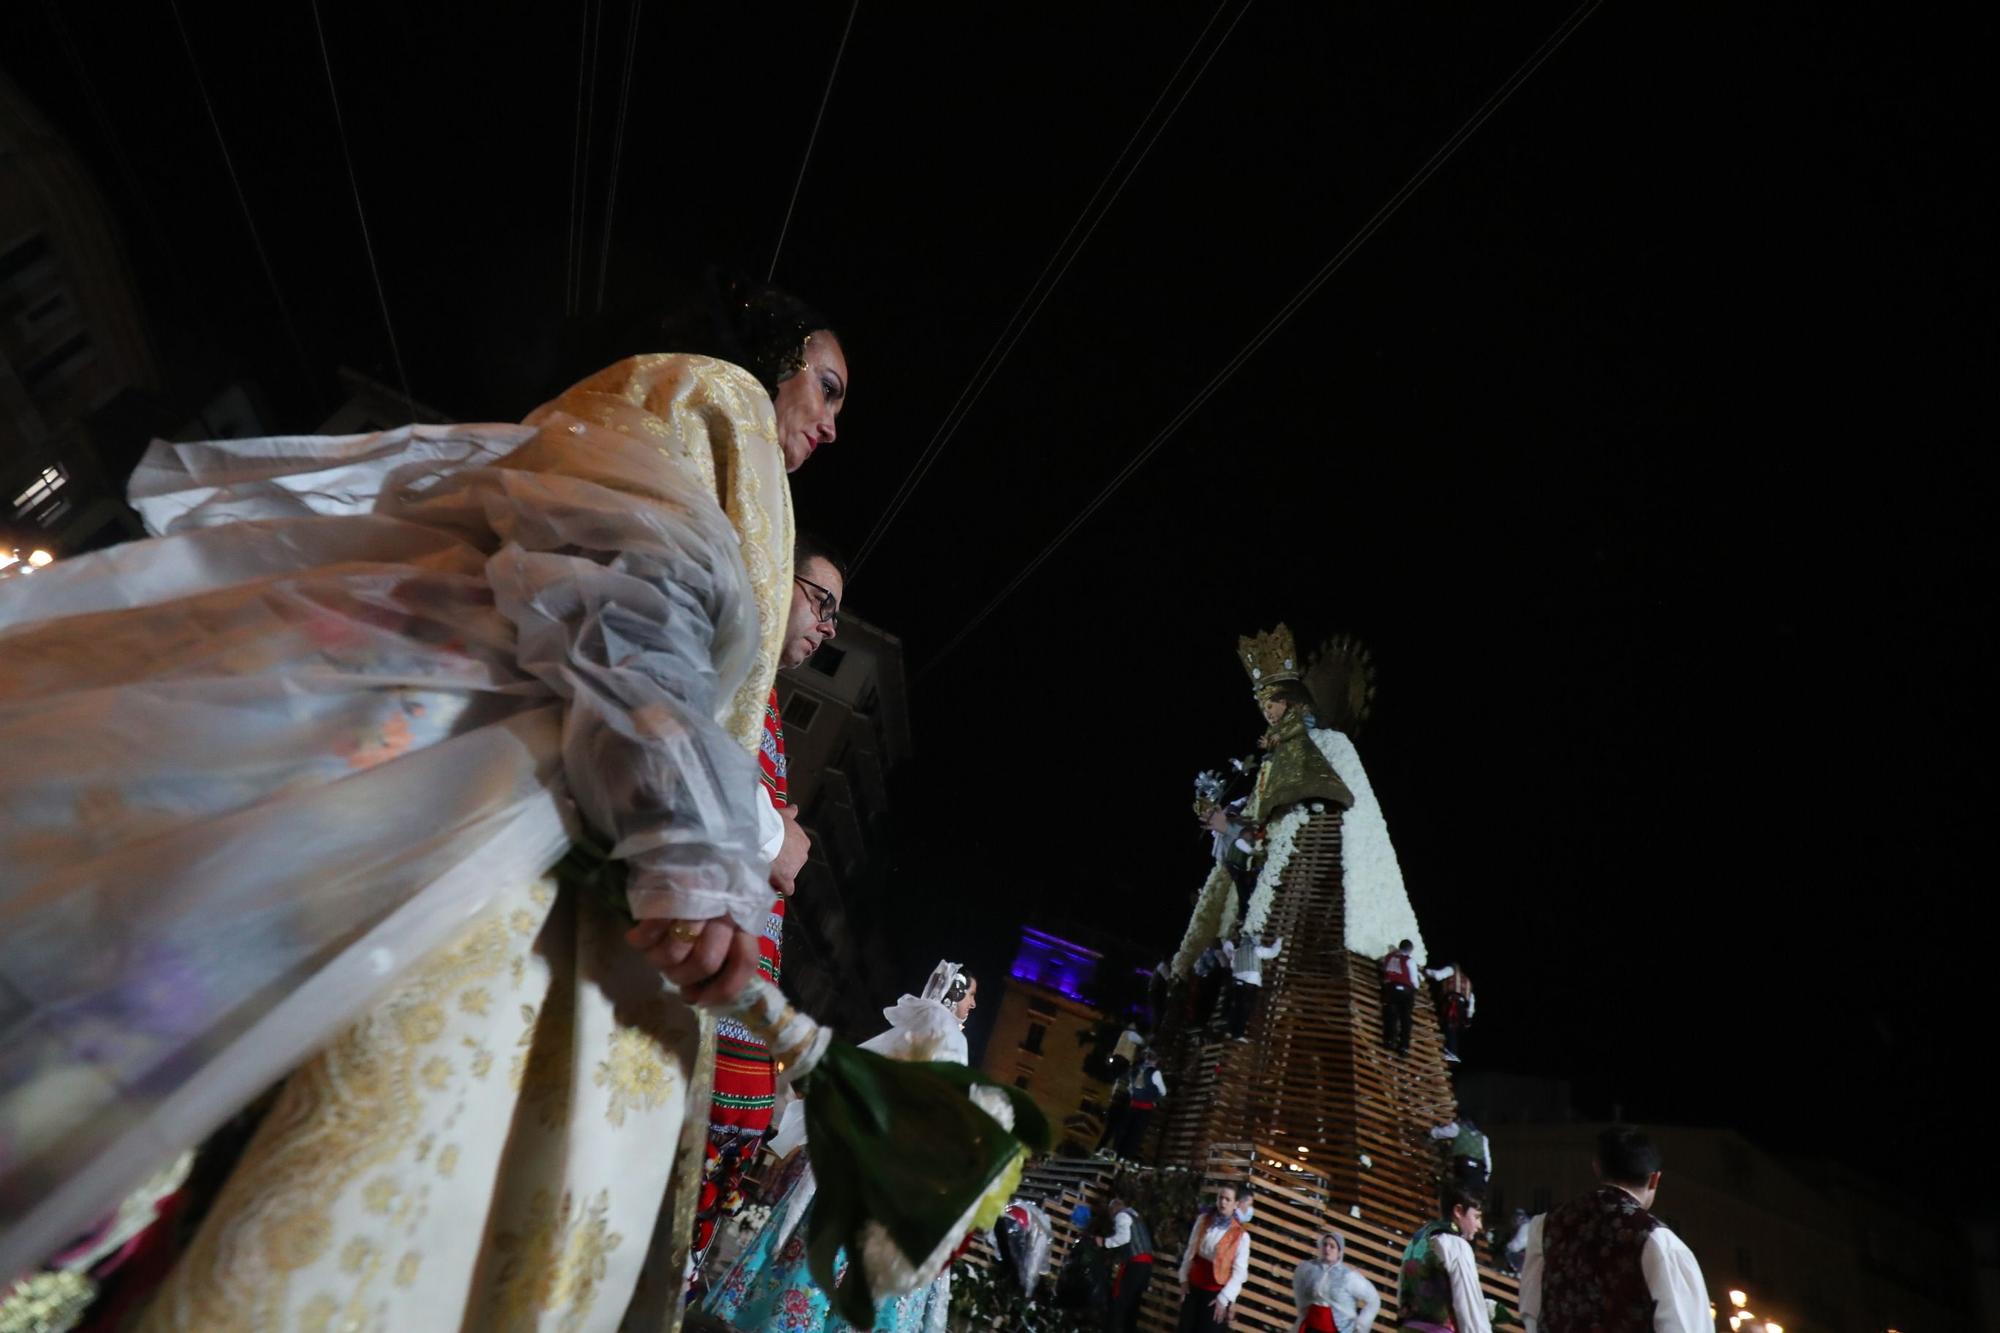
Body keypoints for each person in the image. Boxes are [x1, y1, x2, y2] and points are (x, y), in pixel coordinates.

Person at [0, 283, 850, 1331]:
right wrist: (695, 849)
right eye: (825, 383)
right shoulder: (707, 401)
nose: (831, 418)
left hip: (537, 822)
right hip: (493, 822)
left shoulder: (708, 445)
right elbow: (630, 584)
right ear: (769, 358)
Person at [690, 530, 846, 1292]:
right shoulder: (731, 652)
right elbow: (691, 752)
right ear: (779, 578)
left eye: (836, 618)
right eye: (822, 602)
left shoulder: (771, 703)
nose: (828, 628)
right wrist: (777, 831)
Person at [705, 963, 979, 1333]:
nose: (974, 1004)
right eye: (973, 995)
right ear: (956, 995)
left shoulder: (910, 1030)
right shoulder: (950, 1037)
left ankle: (784, 1318)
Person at [1517, 1125, 1711, 1333]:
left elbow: (1531, 1312)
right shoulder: (1659, 1240)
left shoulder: (1545, 1225)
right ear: (1655, 1179)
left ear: (1597, 1167)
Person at [1397, 1184, 1492, 1333]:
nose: (1479, 1225)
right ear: (1458, 1211)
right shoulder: (1457, 1246)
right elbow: (1467, 1304)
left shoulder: (1417, 1243)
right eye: (1477, 1217)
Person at [1176, 1182, 1251, 1332]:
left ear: (1236, 1204)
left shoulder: (1241, 1236)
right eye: (1220, 1198)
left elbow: (1239, 1273)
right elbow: (1191, 1250)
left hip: (1215, 1293)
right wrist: (1183, 1279)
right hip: (1193, 1287)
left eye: (1227, 1199)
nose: (1222, 1202)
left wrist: (1224, 1299)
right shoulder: (1203, 1220)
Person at [1292, 1230, 1381, 1333]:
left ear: (1339, 1252)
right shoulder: (1310, 1269)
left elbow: (1373, 1300)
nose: (1327, 1249)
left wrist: (1361, 1325)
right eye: (1325, 1245)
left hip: (1337, 1328)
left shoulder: (1348, 1276)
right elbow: (1299, 1289)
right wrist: (1303, 1310)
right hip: (1311, 1326)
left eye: (1332, 1246)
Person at [1095, 1196, 1157, 1332]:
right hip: (1146, 1266)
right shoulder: (1135, 1216)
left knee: (1120, 1301)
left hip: (1136, 1264)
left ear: (1113, 1210)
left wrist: (1104, 1242)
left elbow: (1123, 1238)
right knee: (1133, 1304)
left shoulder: (1122, 1216)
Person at [1222, 930, 1285, 1041]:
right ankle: (1238, 1034)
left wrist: (1229, 941)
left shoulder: (1237, 952)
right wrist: (1279, 941)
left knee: (1237, 1008)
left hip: (1237, 983)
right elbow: (1273, 953)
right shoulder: (1255, 949)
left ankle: (1230, 1031)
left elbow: (1228, 953)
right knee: (1245, 1009)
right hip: (1250, 984)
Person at [1115, 1052, 1167, 1160]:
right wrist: (1154, 1097)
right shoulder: (1155, 1073)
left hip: (1133, 1105)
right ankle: (1125, 1157)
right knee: (1136, 1134)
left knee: (1125, 1130)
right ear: (1155, 1061)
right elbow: (1163, 1091)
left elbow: (1130, 1087)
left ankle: (1117, 1153)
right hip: (1145, 1108)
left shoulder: (1135, 1070)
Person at [1424, 963, 1475, 1063]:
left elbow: (1438, 976)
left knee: (1449, 1026)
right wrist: (1468, 1018)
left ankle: (1450, 1052)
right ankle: (1452, 1051)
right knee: (1453, 1028)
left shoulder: (1452, 970)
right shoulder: (1468, 982)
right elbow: (1471, 1003)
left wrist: (1425, 971)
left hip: (1452, 1002)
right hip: (1462, 1006)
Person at [1430, 1116, 1493, 1192]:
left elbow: (1436, 1133)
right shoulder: (1483, 1137)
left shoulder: (1457, 1128)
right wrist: (1486, 1177)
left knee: (1448, 1184)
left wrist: (1431, 1129)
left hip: (1461, 1165)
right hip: (1478, 1171)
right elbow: (1487, 1160)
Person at [1381, 939, 1420, 1056]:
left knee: (1391, 1015)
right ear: (1410, 950)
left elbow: (1384, 970)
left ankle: (1390, 1040)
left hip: (1390, 989)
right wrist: (1416, 988)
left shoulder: (1388, 957)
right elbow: (1414, 980)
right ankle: (1404, 1047)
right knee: (1405, 1018)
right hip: (1405, 991)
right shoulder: (1409, 961)